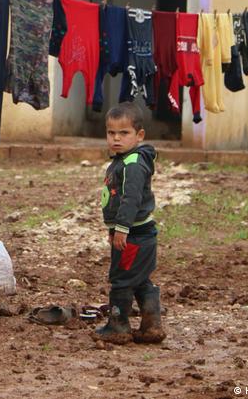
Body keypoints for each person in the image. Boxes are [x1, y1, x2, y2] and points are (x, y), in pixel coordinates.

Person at [94, 103, 166, 344]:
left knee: (122, 280)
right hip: (139, 233)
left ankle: (118, 326)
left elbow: (131, 199)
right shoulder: (124, 160)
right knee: (140, 279)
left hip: (134, 235)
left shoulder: (133, 164)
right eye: (111, 133)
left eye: (124, 133)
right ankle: (151, 325)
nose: (116, 138)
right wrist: (113, 228)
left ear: (139, 135)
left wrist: (121, 229)